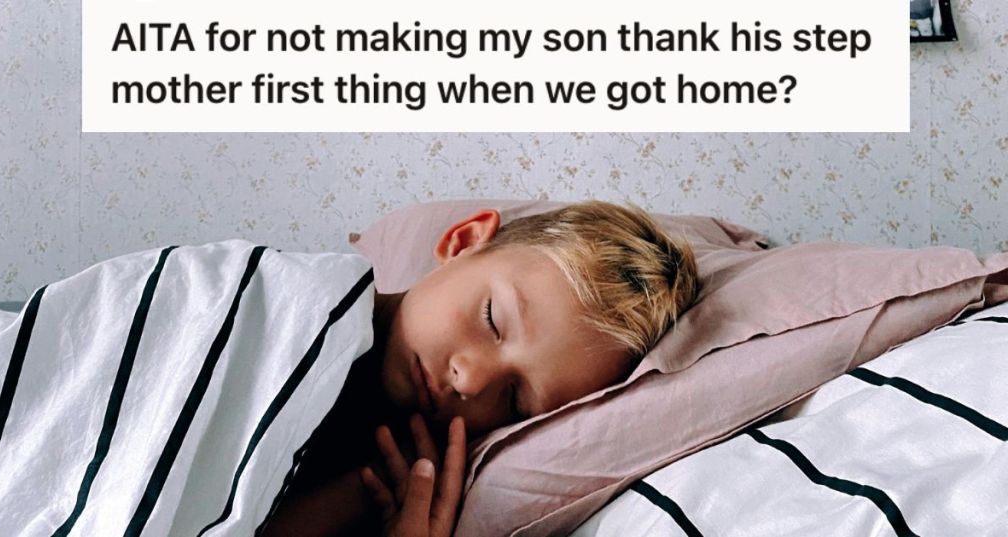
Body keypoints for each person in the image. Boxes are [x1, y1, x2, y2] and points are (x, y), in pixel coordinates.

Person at [259, 201, 699, 537]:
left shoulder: (386, 480)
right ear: (465, 241)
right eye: (492, 318)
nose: (470, 380)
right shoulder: (285, 298)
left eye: (515, 399)